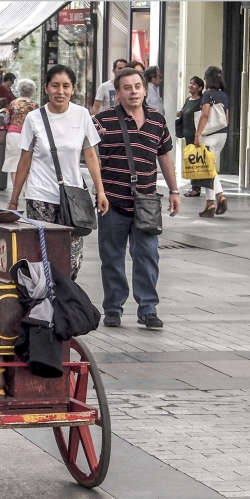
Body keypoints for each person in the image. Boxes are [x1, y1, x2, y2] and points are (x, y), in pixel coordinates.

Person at [92, 67, 181, 329]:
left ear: (145, 90)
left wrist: (174, 191)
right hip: (112, 201)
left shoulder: (157, 120)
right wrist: (98, 191)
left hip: (146, 202)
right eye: (127, 88)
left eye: (137, 87)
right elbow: (90, 155)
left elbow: (164, 155)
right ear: (117, 93)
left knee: (148, 256)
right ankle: (113, 308)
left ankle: (148, 309)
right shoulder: (103, 120)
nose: (133, 92)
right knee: (112, 258)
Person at [7, 64, 109, 280]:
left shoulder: (82, 115)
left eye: (65, 86)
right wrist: (14, 200)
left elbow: (91, 155)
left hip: (73, 199)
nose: (60, 91)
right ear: (46, 88)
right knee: (43, 257)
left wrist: (100, 191)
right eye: (55, 86)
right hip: (40, 196)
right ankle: (45, 307)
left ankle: (64, 304)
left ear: (73, 89)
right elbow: (25, 160)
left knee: (71, 260)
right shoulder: (34, 118)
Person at [194, 66, 230, 217]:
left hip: (209, 136)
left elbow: (205, 115)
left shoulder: (207, 95)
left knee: (208, 169)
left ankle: (219, 197)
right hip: (222, 134)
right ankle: (210, 203)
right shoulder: (224, 96)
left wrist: (198, 134)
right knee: (209, 168)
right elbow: (226, 119)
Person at [1, 78, 38, 189]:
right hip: (29, 136)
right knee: (28, 161)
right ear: (32, 91)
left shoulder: (13, 103)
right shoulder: (34, 105)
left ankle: (16, 188)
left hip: (13, 135)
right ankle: (27, 188)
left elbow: (6, 119)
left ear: (19, 90)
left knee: (13, 161)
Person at [178, 76, 206, 198]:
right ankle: (194, 186)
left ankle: (196, 187)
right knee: (191, 161)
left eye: (193, 84)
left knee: (195, 161)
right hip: (187, 133)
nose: (190, 86)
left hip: (196, 135)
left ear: (200, 88)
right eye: (190, 83)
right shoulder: (188, 100)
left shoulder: (201, 101)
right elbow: (185, 112)